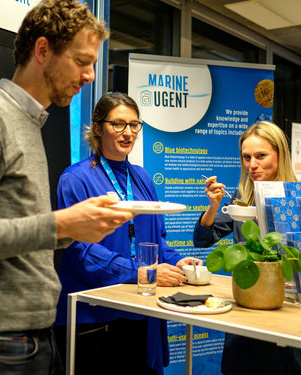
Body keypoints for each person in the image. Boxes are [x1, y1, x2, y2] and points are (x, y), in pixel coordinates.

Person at [0, 2, 134, 374]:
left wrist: (76, 229)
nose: (89, 75)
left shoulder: (29, 122)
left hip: (29, 338)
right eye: (82, 61)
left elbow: (21, 231)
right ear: (42, 50)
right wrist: (61, 225)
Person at [54, 92, 202, 375]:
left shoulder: (142, 178)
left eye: (134, 125)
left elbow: (157, 239)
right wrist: (142, 272)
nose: (128, 133)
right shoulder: (76, 178)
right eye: (118, 124)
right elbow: (82, 253)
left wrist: (177, 261)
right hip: (94, 316)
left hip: (141, 310)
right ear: (97, 128)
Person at [192, 121, 301, 375]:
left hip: (288, 314)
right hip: (246, 311)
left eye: (260, 156)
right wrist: (213, 205)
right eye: (246, 157)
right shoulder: (243, 196)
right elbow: (202, 239)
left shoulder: (299, 198)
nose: (252, 165)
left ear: (280, 155)